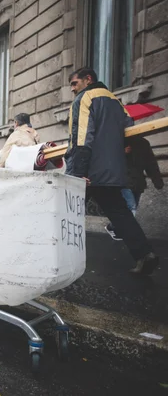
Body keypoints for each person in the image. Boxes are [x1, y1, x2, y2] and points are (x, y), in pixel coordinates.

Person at [64, 67, 159, 275]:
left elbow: (81, 138)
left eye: (74, 83)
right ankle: (144, 254)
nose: (72, 89)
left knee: (64, 212)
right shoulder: (116, 102)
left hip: (88, 170)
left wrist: (78, 172)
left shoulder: (84, 98)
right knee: (120, 213)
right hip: (112, 169)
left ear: (88, 80)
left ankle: (57, 260)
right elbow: (129, 128)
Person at [105, 137, 165, 240]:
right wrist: (122, 152)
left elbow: (151, 163)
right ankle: (126, 233)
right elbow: (106, 160)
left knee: (131, 208)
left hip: (138, 182)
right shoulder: (116, 139)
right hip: (122, 181)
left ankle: (112, 226)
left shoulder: (143, 143)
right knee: (131, 206)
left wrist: (157, 181)